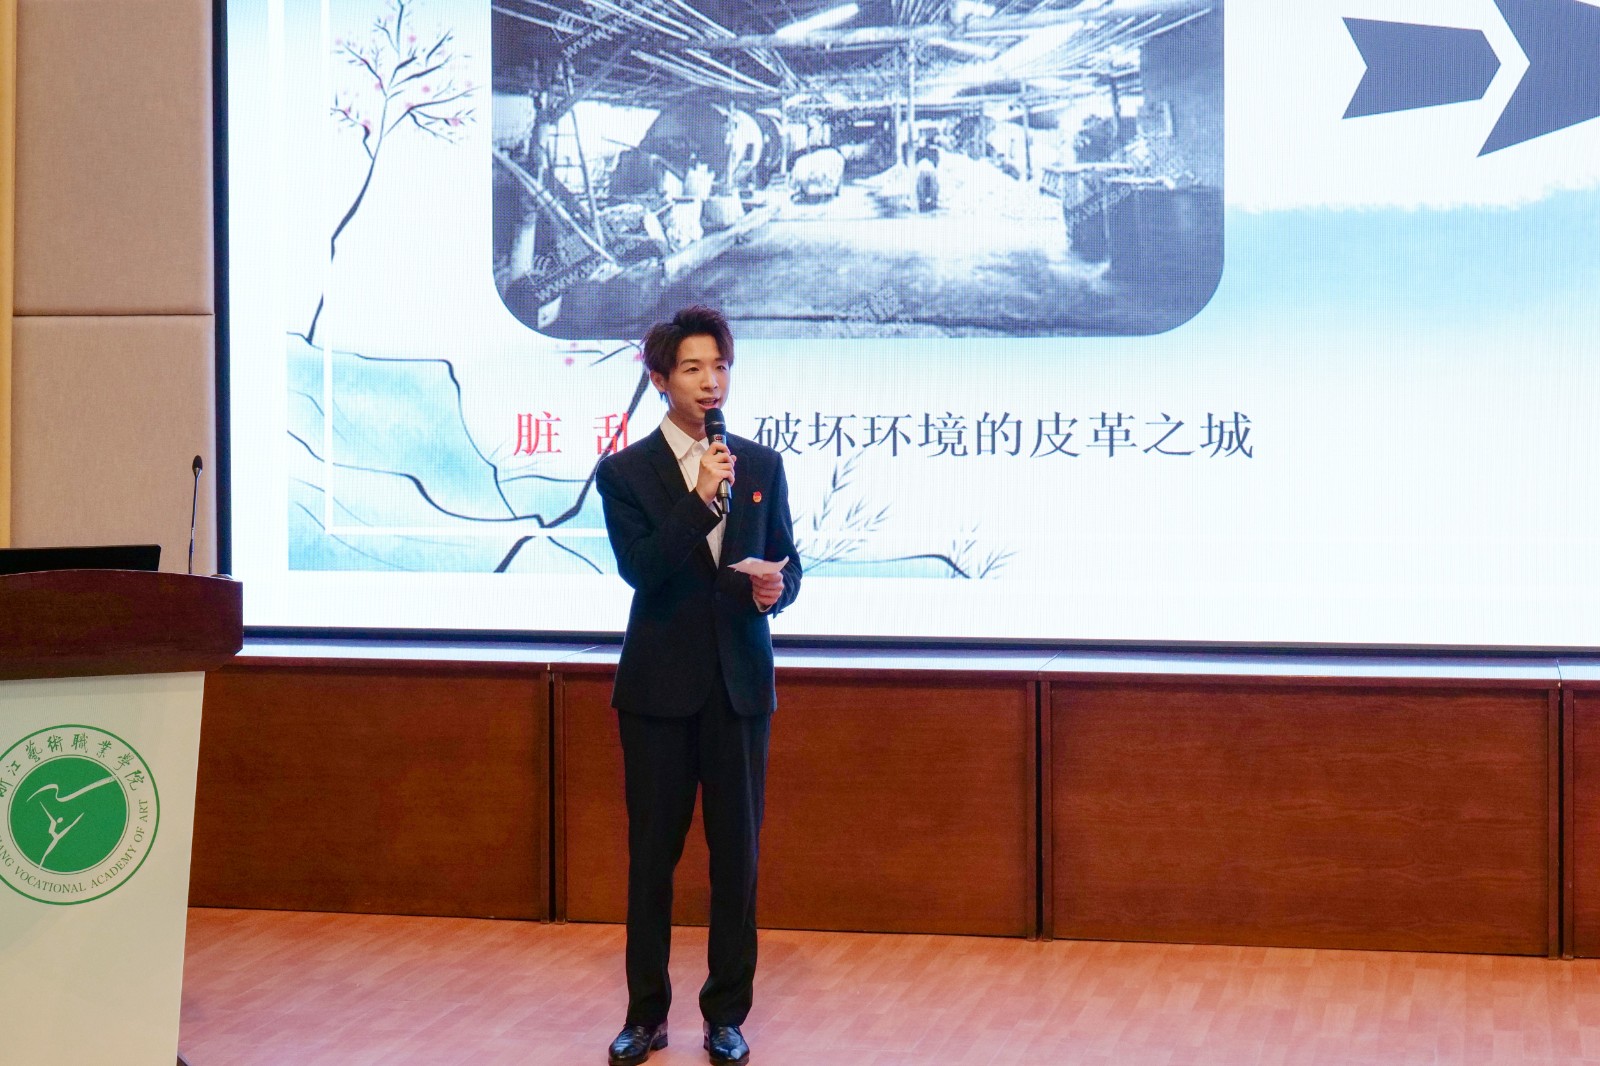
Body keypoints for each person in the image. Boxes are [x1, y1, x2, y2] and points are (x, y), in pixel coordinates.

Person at [595, 305, 802, 1066]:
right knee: (653, 858)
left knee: (736, 858)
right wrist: (699, 498)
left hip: (739, 687)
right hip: (658, 692)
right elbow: (643, 571)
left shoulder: (762, 466)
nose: (711, 381)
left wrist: (777, 589)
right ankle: (645, 1014)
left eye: (720, 366)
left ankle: (725, 1016)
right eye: (692, 368)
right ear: (660, 379)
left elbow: (789, 563)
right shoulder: (625, 472)